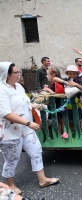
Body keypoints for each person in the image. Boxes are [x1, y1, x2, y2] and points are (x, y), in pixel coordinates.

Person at [0, 62, 59, 195]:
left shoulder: (19, 87)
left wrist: (34, 105)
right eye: (16, 72)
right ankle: (10, 184)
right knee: (12, 159)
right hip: (10, 132)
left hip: (26, 130)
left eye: (18, 71)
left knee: (36, 151)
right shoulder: (1, 89)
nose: (19, 74)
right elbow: (5, 113)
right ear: (7, 74)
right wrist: (28, 123)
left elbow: (22, 103)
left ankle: (42, 180)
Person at [54, 65, 82, 138]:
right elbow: (54, 78)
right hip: (67, 105)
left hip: (76, 104)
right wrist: (65, 82)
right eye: (70, 73)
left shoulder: (78, 81)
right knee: (70, 121)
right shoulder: (66, 80)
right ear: (67, 74)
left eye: (74, 74)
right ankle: (73, 136)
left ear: (77, 74)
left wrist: (76, 85)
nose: (72, 75)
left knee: (80, 121)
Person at [43, 67, 65, 136]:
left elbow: (57, 94)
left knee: (59, 120)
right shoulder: (53, 83)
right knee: (56, 120)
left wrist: (48, 90)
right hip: (53, 105)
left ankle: (61, 135)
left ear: (53, 75)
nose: (46, 76)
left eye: (47, 74)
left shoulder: (57, 83)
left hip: (57, 105)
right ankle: (57, 134)